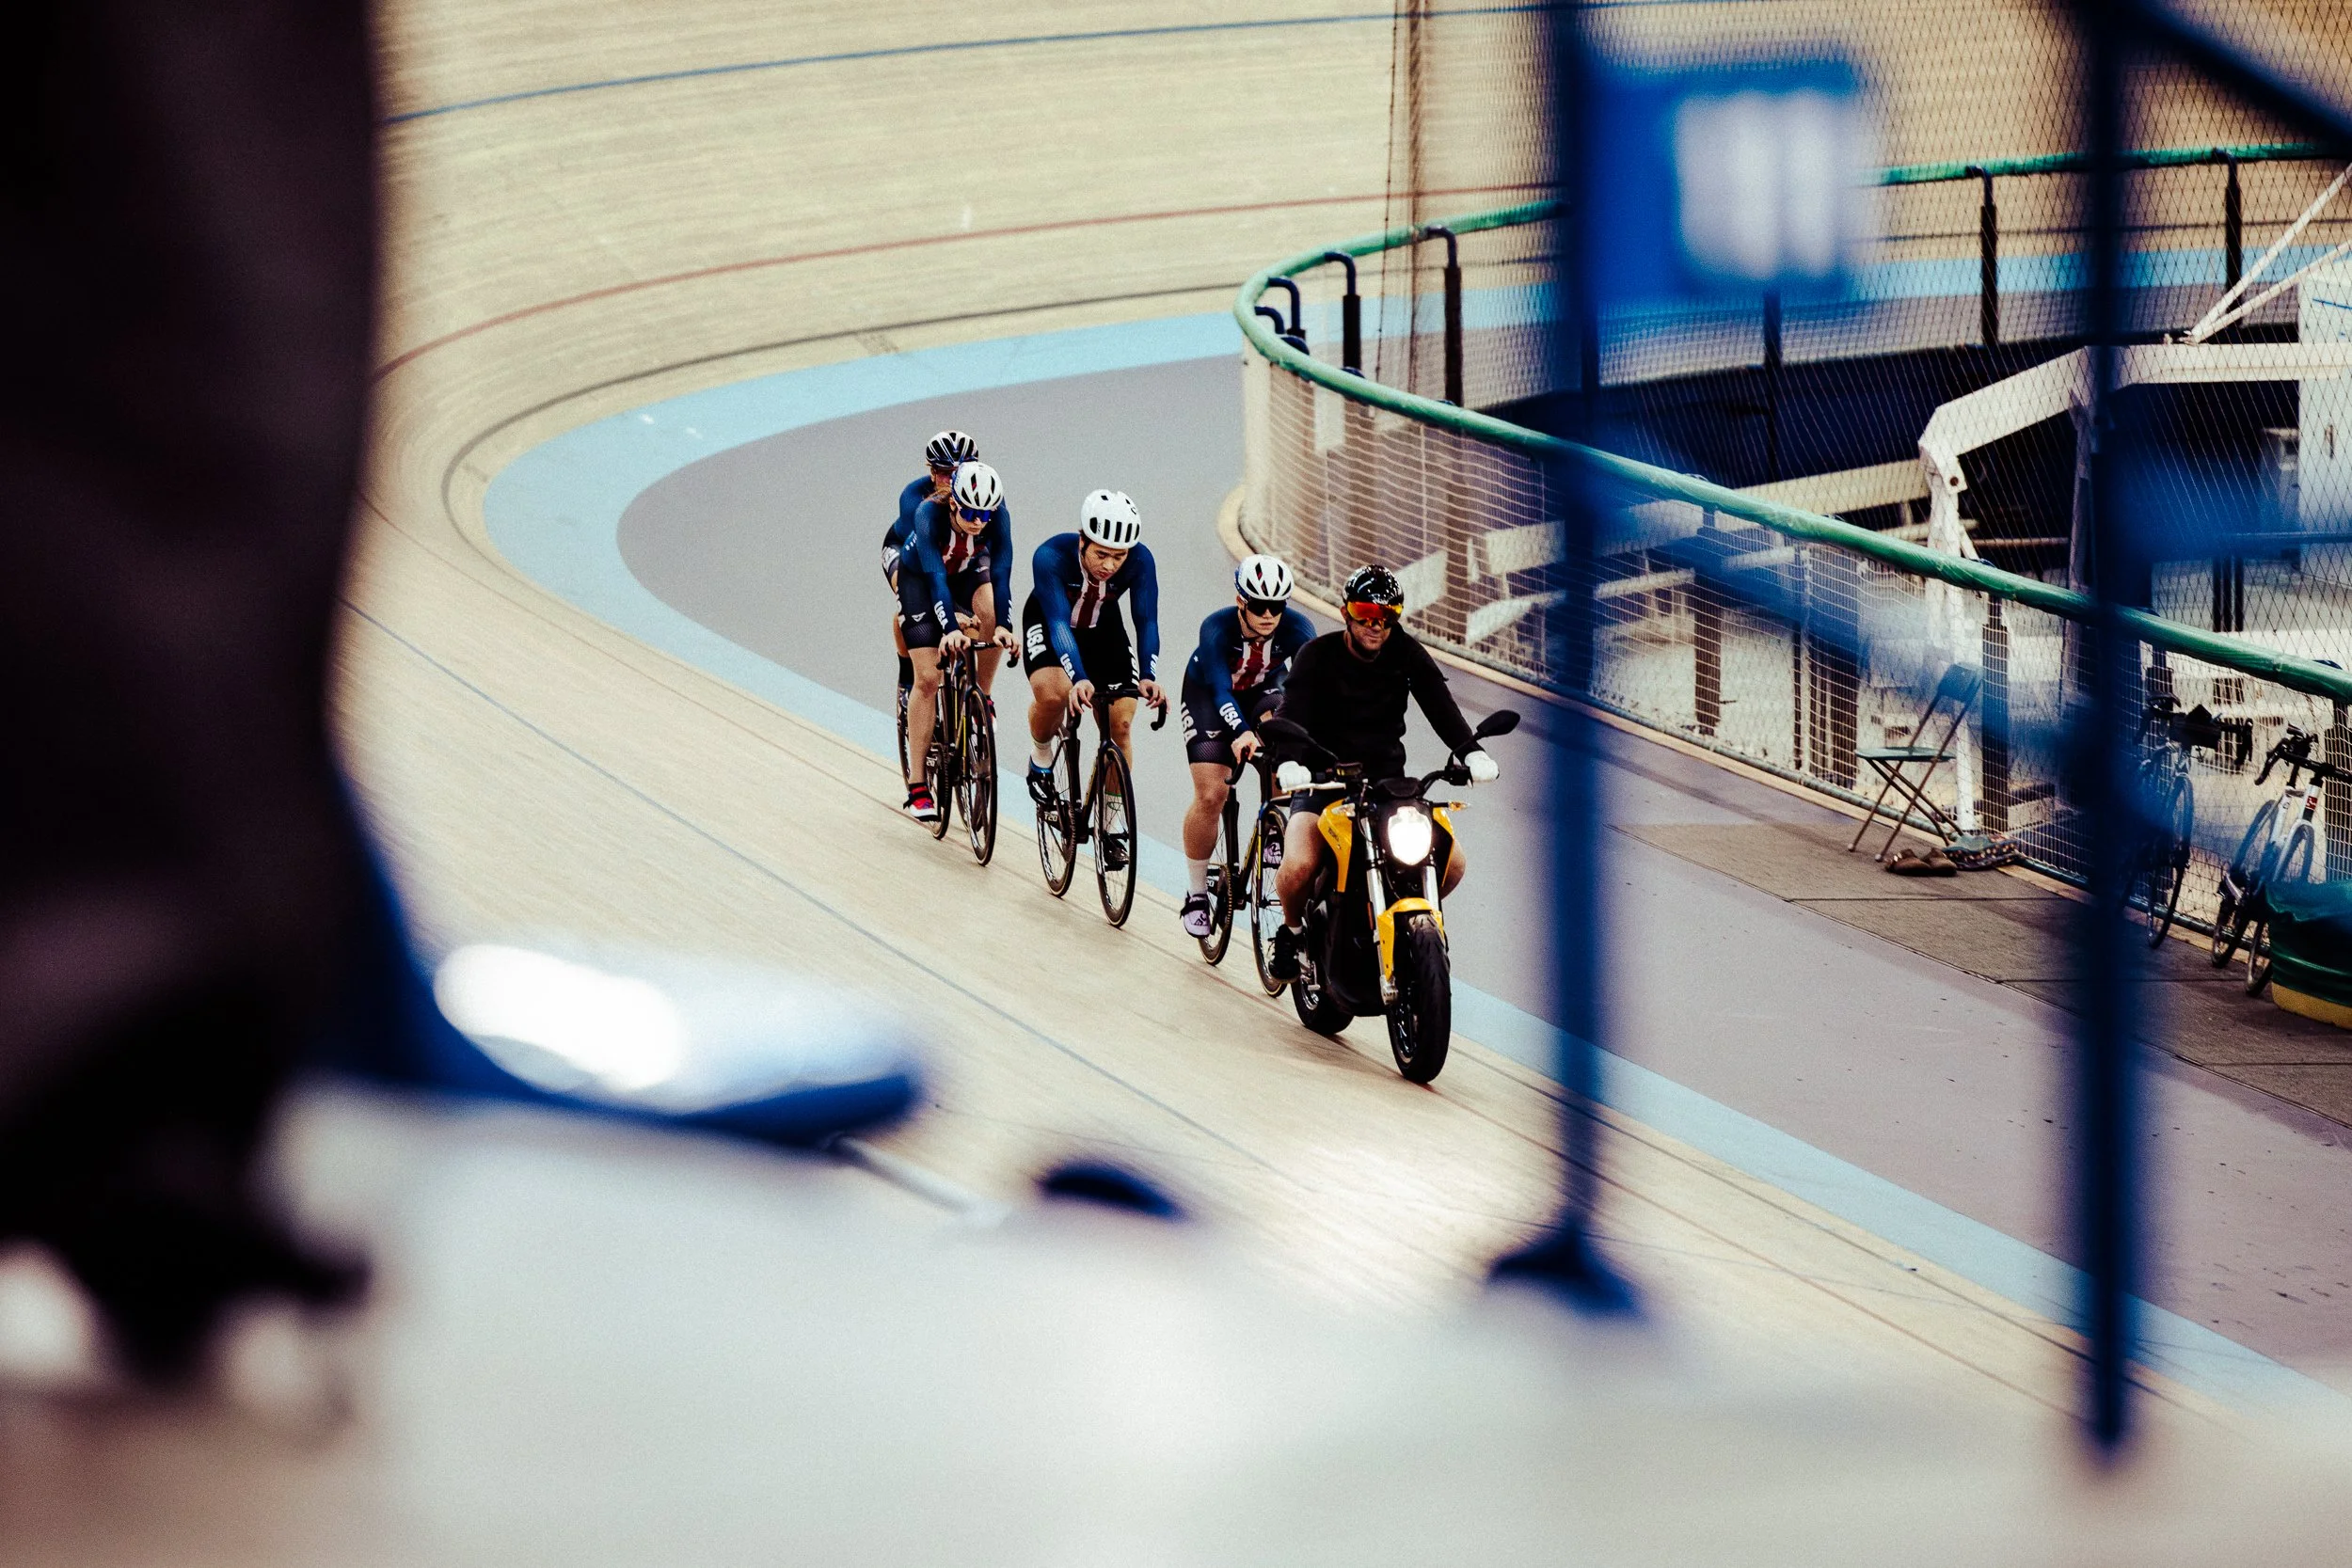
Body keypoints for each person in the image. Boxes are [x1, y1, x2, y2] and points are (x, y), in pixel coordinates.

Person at [1264, 564, 1500, 980]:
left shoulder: (1406, 652)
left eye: (1386, 617)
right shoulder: (1316, 655)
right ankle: (1292, 930)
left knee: (1454, 863)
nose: (1375, 625)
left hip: (1388, 787)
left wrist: (1472, 752)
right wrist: (1289, 763)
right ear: (1345, 613)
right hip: (1325, 781)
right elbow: (1293, 713)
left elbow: (1440, 704)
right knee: (1299, 864)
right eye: (1364, 613)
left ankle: (1405, 929)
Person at [1021, 491, 1166, 868]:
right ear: (1082, 541)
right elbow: (1056, 623)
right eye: (1101, 554)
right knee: (1054, 694)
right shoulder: (1050, 556)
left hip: (1103, 629)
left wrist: (1149, 675)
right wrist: (1080, 676)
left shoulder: (1140, 560)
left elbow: (1146, 620)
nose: (1110, 565)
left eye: (1118, 557)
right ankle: (1040, 757)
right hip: (1052, 623)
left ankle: (1112, 826)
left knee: (1120, 723)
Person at [1175, 555, 1314, 938]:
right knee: (1212, 793)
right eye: (1258, 606)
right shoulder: (1217, 629)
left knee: (1284, 739)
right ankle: (1197, 891)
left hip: (1263, 692)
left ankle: (1273, 827)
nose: (1269, 615)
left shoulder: (1299, 630)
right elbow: (1221, 689)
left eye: (1277, 607)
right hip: (1209, 695)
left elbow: (1315, 687)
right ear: (1241, 601)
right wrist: (1239, 730)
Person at [899, 460, 1016, 822]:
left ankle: (982, 696)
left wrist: (1005, 626)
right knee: (929, 679)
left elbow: (1002, 572)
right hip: (921, 579)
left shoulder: (997, 518)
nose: (978, 521)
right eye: (969, 512)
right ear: (953, 503)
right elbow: (936, 578)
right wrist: (949, 626)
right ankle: (918, 784)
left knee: (992, 614)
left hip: (966, 571)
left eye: (985, 514)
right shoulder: (928, 514)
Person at [883, 430, 980, 727]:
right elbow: (928, 572)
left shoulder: (977, 498)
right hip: (906, 554)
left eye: (958, 473)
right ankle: (906, 676)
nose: (950, 482)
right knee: (913, 604)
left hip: (946, 556)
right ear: (931, 471)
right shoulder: (915, 500)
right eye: (943, 473)